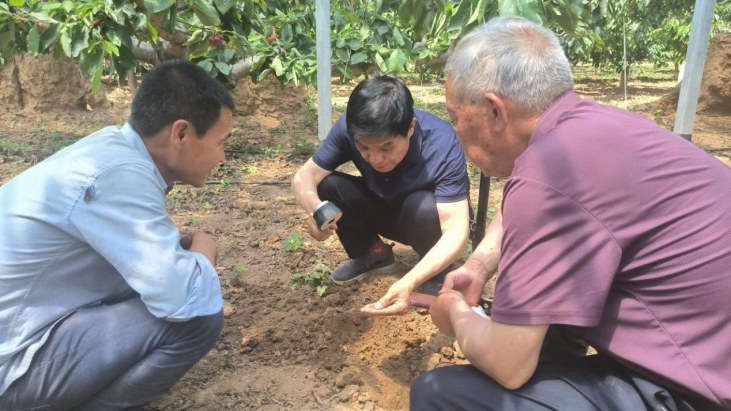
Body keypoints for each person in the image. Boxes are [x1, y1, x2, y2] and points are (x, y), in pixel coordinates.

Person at [410, 16, 731, 411]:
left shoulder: (545, 178)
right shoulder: (595, 127)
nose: (455, 129)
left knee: (440, 394)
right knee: (550, 314)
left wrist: (456, 314)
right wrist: (478, 265)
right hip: (711, 350)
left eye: (456, 115)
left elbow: (507, 364)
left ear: (494, 111)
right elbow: (547, 201)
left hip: (701, 390)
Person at [0, 60, 233, 409]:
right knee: (198, 319)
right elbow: (183, 298)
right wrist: (205, 246)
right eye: (221, 143)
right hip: (12, 366)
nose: (223, 157)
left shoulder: (111, 149)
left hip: (19, 330)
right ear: (181, 134)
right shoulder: (119, 176)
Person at [292, 75, 471, 315]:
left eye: (387, 147)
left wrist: (409, 281)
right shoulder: (351, 128)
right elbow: (305, 176)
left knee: (422, 206)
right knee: (328, 185)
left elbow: (456, 231)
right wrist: (317, 210)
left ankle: (437, 274)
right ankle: (374, 255)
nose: (375, 159)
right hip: (386, 206)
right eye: (364, 148)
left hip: (427, 219)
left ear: (410, 128)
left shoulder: (442, 144)